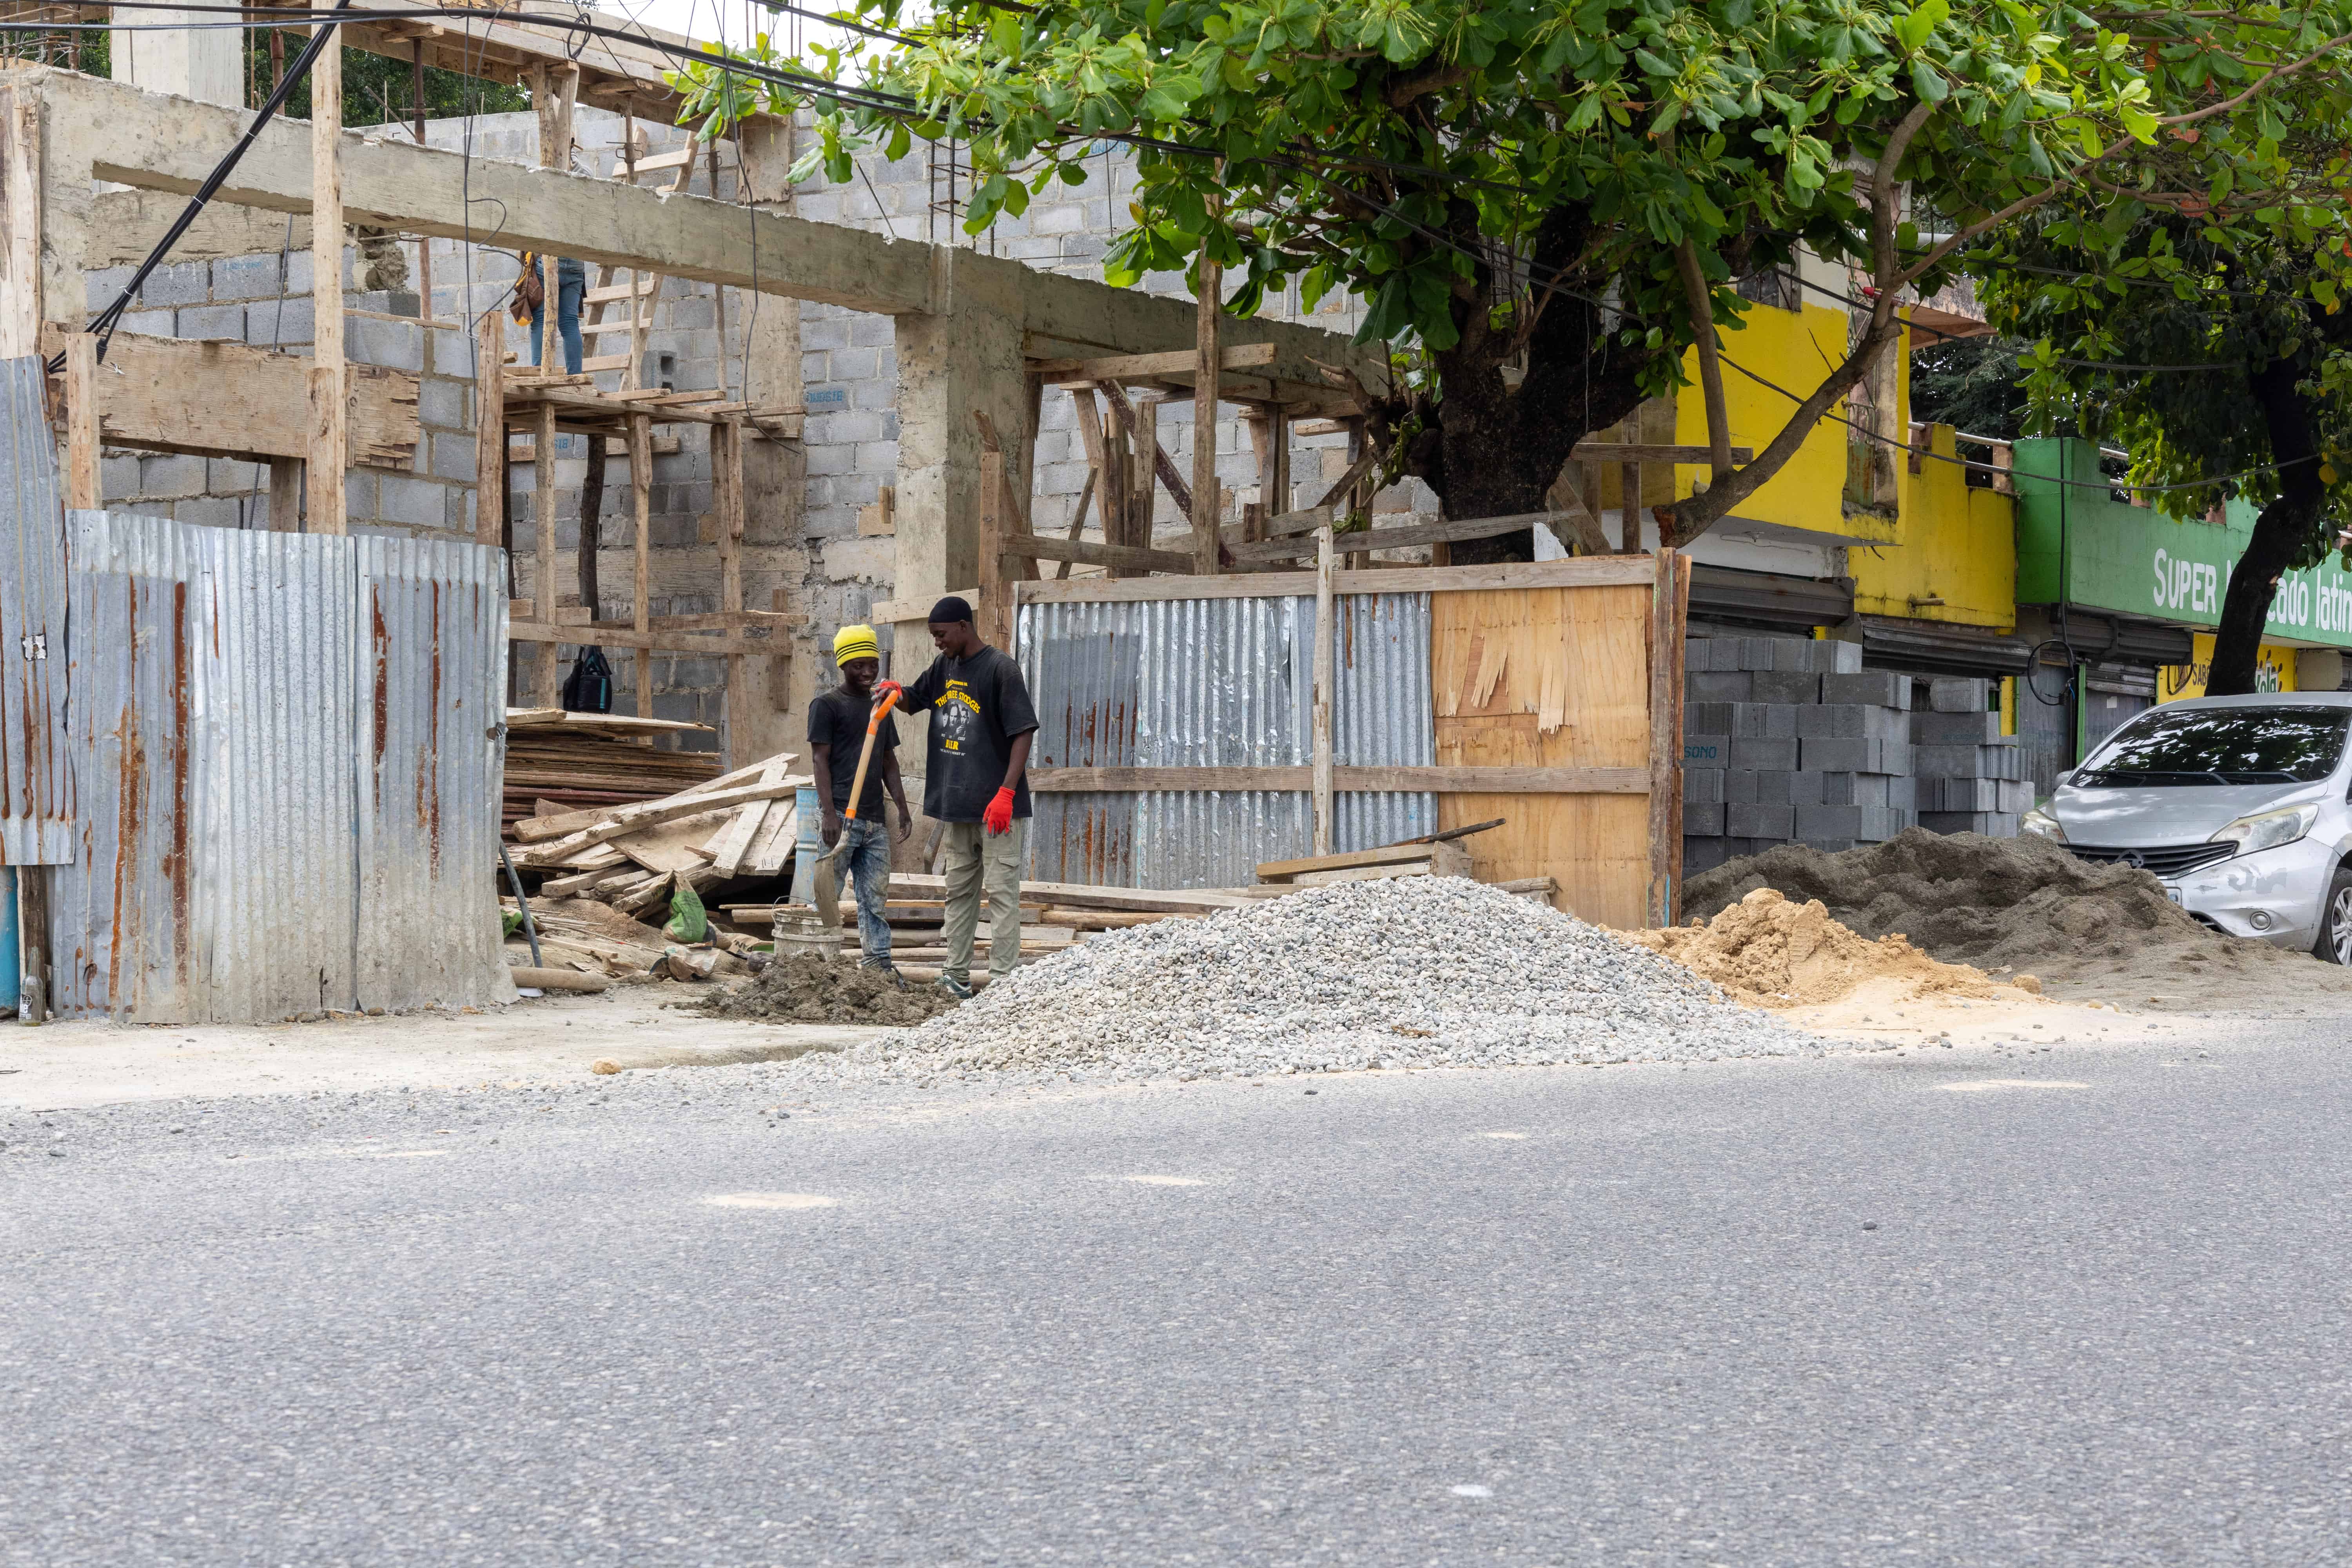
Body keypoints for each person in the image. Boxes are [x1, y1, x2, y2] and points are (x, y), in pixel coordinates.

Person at [876, 597, 1037, 999]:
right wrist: (897, 693)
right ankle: (956, 978)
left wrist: (1006, 792)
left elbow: (1024, 732)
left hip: (997, 810)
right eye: (934, 636)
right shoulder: (945, 667)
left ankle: (1002, 983)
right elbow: (917, 699)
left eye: (941, 635)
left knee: (1001, 893)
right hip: (958, 806)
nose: (937, 643)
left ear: (964, 626)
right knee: (959, 893)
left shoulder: (1001, 669)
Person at [808, 624, 913, 976]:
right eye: (858, 666)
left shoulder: (881, 708)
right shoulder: (827, 706)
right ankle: (815, 965)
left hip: (874, 820)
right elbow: (819, 761)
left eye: (872, 664)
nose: (868, 672)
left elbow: (888, 761)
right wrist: (828, 815)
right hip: (840, 813)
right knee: (828, 895)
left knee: (875, 899)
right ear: (843, 666)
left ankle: (878, 964)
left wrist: (901, 806)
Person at [517, 250, 586, 375]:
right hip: (576, 264)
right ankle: (576, 375)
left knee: (540, 321)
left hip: (548, 260)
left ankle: (538, 372)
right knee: (570, 323)